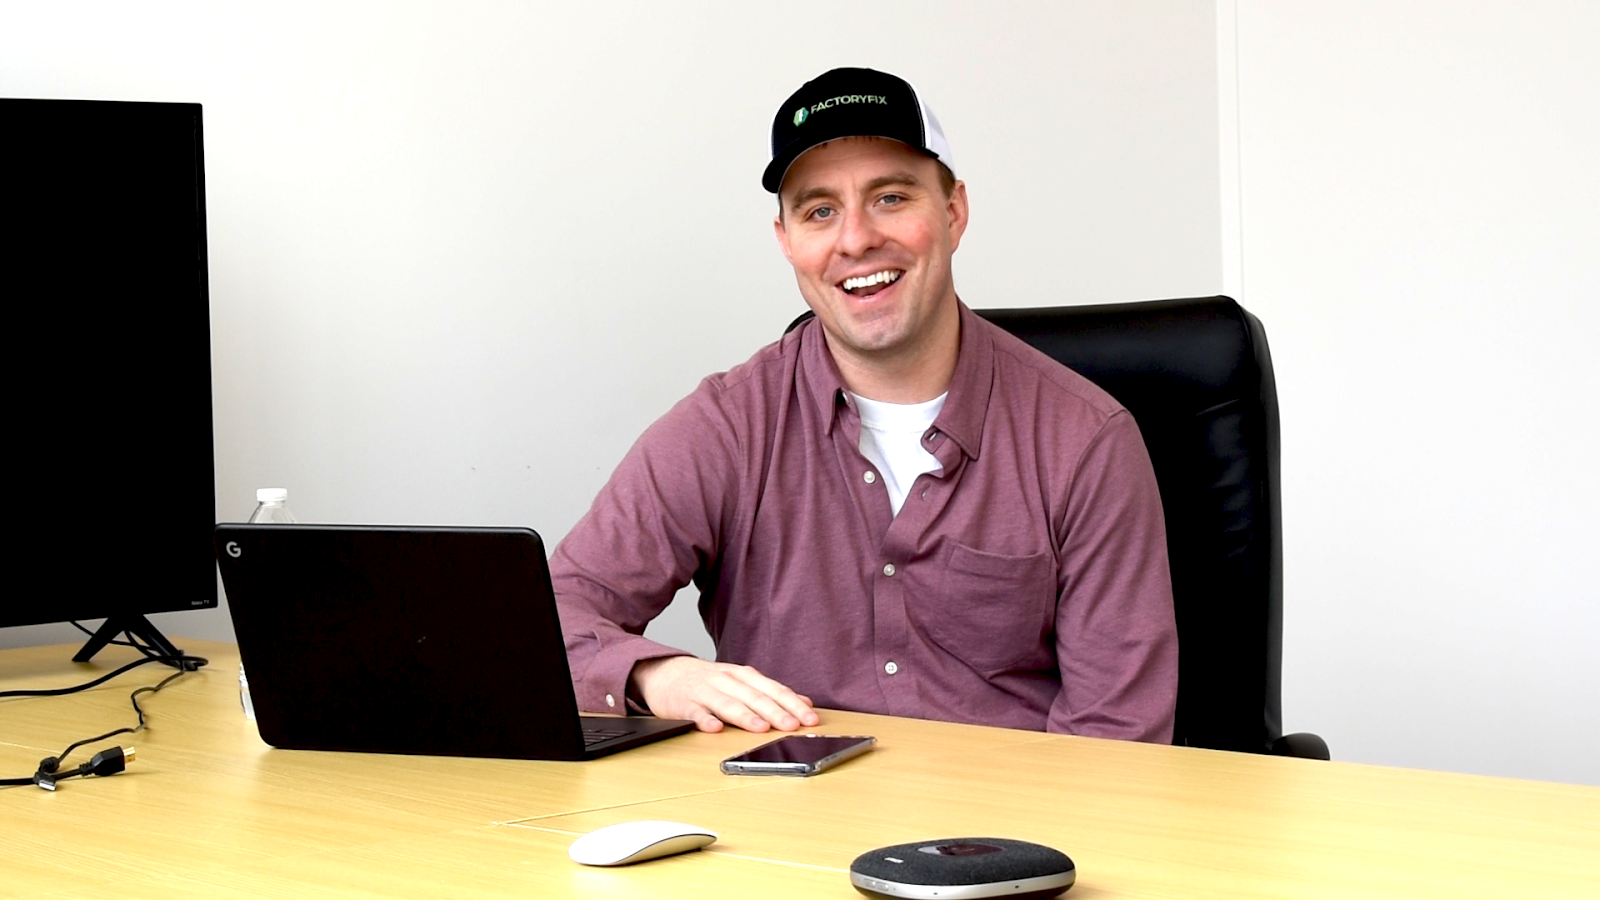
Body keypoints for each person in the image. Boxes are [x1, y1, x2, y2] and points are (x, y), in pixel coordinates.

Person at [551, 67, 1178, 742]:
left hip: (1011, 809)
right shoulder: (727, 428)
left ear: (954, 212)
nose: (855, 240)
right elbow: (549, 616)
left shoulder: (1085, 440)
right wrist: (656, 676)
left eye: (890, 197)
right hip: (781, 804)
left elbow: (1119, 735)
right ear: (786, 240)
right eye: (819, 211)